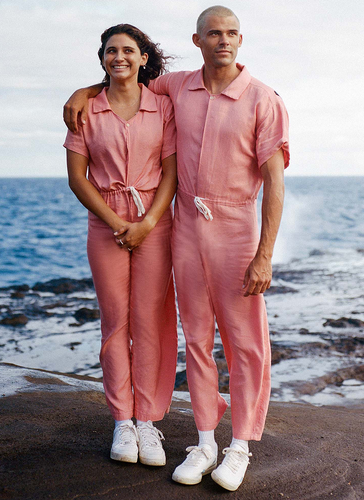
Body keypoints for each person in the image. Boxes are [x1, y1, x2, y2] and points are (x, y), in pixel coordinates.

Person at [64, 5, 289, 492]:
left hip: (236, 229)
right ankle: (205, 442)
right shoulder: (177, 87)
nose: (223, 40)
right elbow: (124, 78)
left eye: (231, 33)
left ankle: (239, 447)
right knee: (196, 337)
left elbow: (275, 183)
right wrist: (83, 91)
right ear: (197, 40)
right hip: (185, 228)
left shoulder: (263, 98)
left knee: (246, 342)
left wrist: (265, 254)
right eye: (214, 33)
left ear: (240, 40)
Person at [63, 24, 178, 468]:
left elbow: (171, 172)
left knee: (149, 322)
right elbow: (77, 178)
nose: (119, 57)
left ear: (143, 57)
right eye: (111, 51)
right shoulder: (86, 110)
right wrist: (116, 223)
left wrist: (146, 223)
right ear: (102, 59)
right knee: (114, 323)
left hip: (154, 220)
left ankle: (146, 421)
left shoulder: (163, 106)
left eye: (128, 50)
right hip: (104, 221)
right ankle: (122, 422)